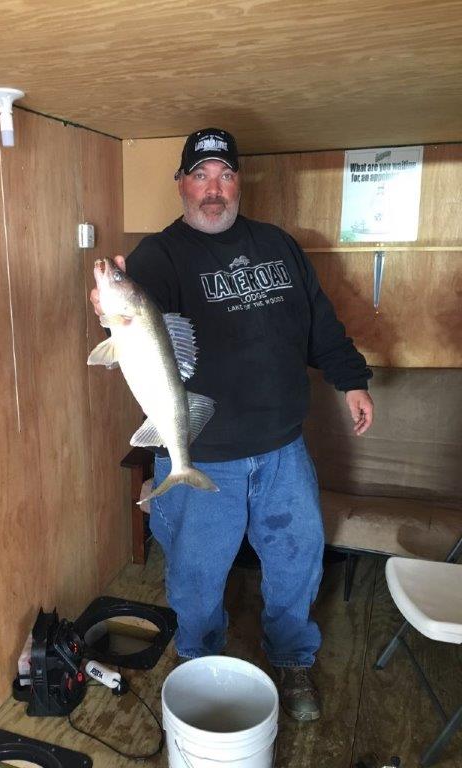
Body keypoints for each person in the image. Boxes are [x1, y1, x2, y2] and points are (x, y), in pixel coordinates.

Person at [90, 128, 374, 721]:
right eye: (200, 176)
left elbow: (319, 319)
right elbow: (146, 335)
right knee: (196, 574)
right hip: (202, 447)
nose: (213, 190)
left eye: (223, 175)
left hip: (282, 445)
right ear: (182, 185)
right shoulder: (157, 258)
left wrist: (350, 380)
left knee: (297, 559)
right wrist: (115, 312)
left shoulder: (279, 245)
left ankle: (293, 660)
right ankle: (198, 663)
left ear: (238, 180)